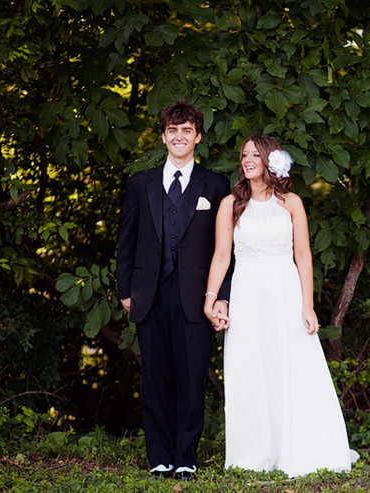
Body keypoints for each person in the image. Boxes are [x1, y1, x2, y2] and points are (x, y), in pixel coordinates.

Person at [204, 136, 357, 477]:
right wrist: (211, 298)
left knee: (292, 366)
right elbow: (220, 256)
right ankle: (254, 452)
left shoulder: (291, 202)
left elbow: (303, 256)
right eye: (243, 155)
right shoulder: (231, 204)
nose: (247, 159)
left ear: (271, 160)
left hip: (285, 292)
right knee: (251, 368)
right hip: (246, 295)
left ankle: (300, 446)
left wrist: (308, 306)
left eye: (254, 154)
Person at [115, 101, 231, 481]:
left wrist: (222, 296)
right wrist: (125, 290)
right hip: (148, 294)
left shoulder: (215, 186)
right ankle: (159, 456)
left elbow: (226, 250)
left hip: (197, 296)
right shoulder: (140, 183)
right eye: (172, 130)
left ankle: (186, 456)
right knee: (156, 378)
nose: (179, 137)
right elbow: (126, 241)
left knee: (191, 377)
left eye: (186, 130)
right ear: (163, 136)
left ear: (198, 136)